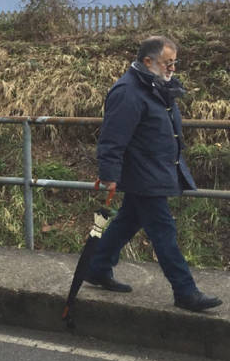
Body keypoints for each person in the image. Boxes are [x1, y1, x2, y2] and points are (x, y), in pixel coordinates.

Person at [88, 36, 222, 312]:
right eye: (167, 62)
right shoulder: (128, 92)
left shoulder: (156, 86)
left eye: (174, 62)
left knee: (127, 222)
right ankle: (185, 291)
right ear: (147, 61)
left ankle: (98, 267)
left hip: (155, 171)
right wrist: (109, 174)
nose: (172, 68)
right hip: (144, 174)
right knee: (164, 232)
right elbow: (112, 138)